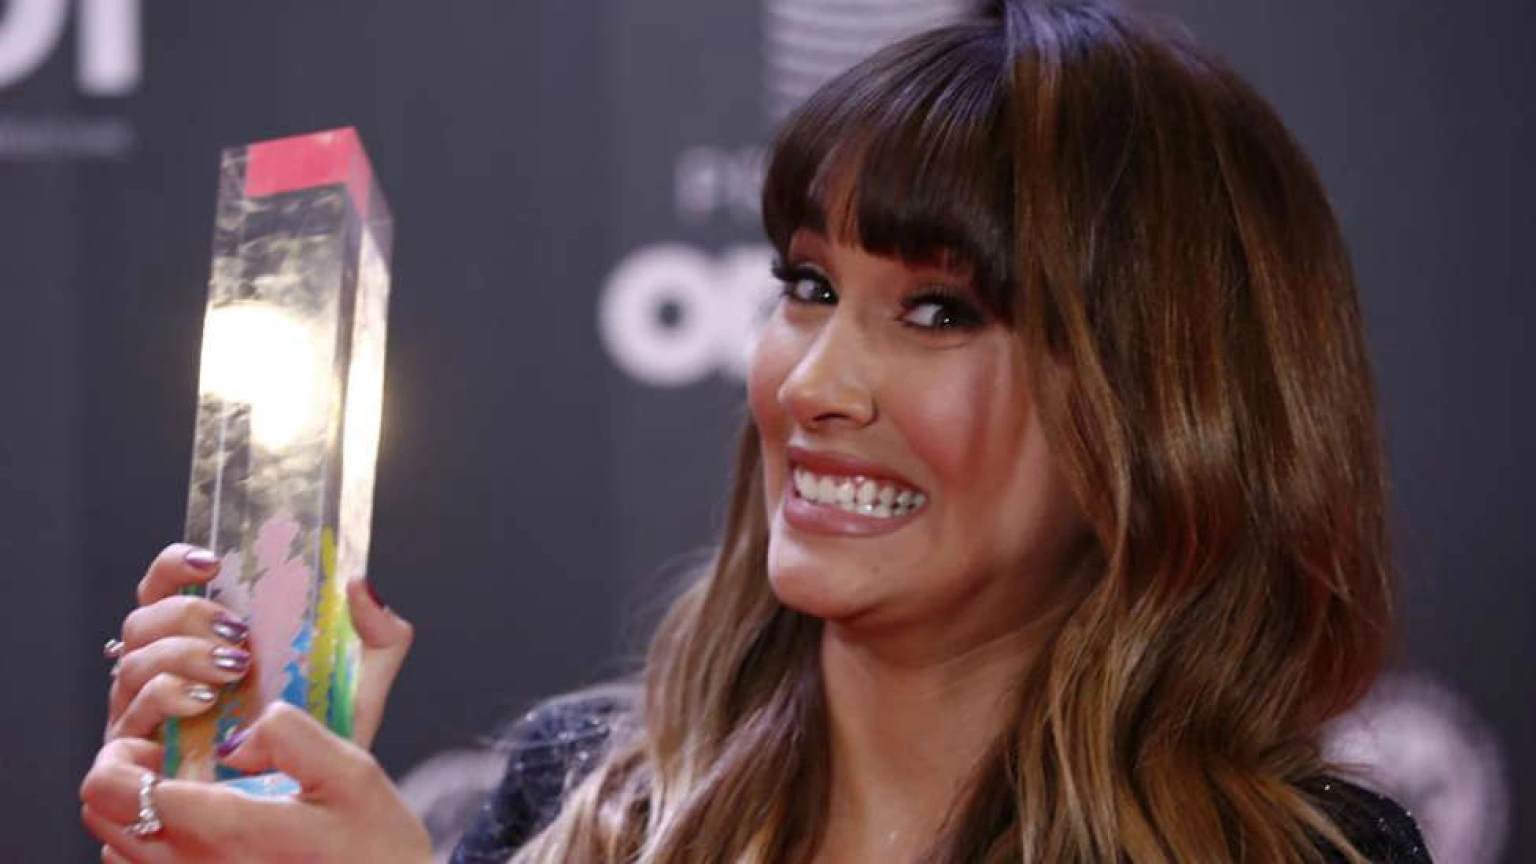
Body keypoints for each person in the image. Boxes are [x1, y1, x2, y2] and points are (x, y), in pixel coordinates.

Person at [80, 1, 1433, 861]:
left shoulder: (1305, 852)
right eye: (809, 286)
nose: (815, 382)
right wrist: (233, 808)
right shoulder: (571, 796)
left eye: (942, 311)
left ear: (1164, 406)